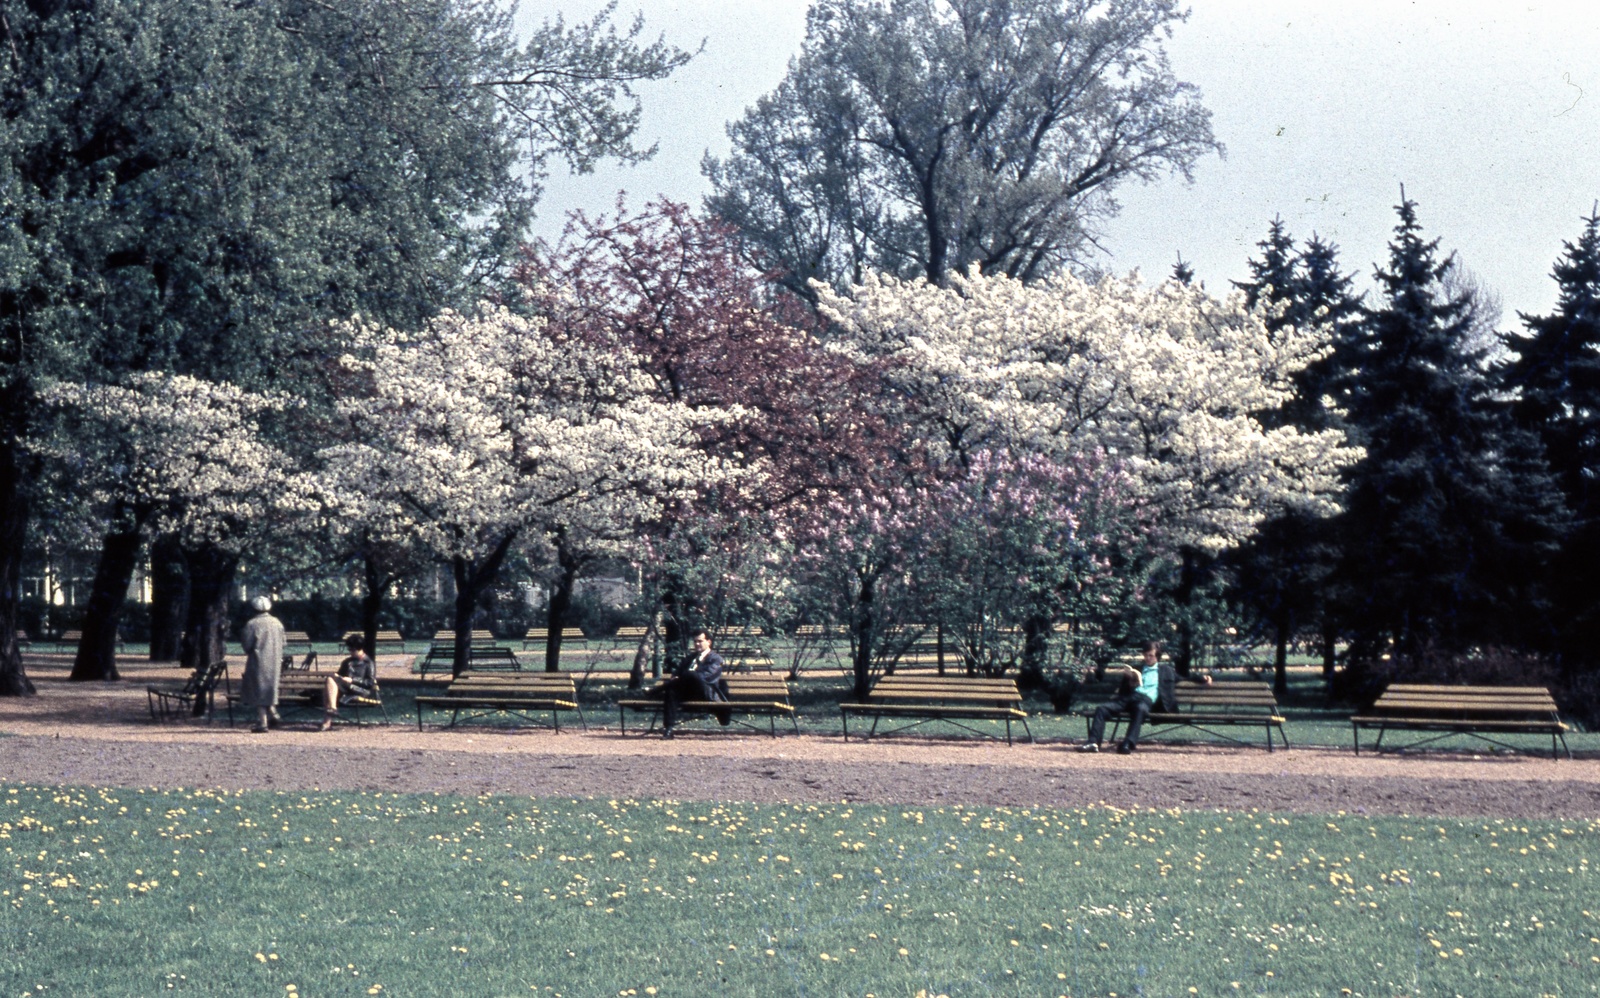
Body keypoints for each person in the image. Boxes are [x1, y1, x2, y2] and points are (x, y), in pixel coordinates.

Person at [1079, 640, 1212, 754]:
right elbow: (1123, 691)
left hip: (1145, 700)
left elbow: (1185, 677)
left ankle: (1128, 743)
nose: (1147, 658)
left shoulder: (1166, 671)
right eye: (1146, 655)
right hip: (1128, 698)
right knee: (1102, 709)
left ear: (1157, 657)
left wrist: (1203, 678)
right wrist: (1130, 683)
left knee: (1140, 710)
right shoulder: (1137, 668)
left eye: (1151, 656)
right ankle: (1093, 743)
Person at [661, 630, 728, 737]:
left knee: (690, 674)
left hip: (705, 694)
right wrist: (679, 677)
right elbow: (676, 674)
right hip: (687, 694)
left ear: (708, 642)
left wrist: (685, 676)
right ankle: (668, 729)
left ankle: (656, 690)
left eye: (700, 641)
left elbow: (706, 677)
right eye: (695, 641)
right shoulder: (689, 658)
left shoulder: (716, 659)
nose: (697, 644)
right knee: (671, 691)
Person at [238, 596, 286, 733]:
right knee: (270, 690)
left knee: (259, 691)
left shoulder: (252, 624)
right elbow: (284, 643)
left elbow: (247, 646)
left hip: (258, 660)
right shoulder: (277, 623)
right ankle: (274, 713)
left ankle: (263, 723)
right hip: (275, 661)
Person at [319, 634, 380, 732]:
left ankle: (328, 718)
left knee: (329, 684)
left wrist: (352, 680)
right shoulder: (347, 662)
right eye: (349, 649)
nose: (350, 652)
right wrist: (338, 676)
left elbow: (370, 682)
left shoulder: (368, 663)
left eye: (351, 650)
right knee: (330, 680)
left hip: (360, 690)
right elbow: (339, 676)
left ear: (358, 649)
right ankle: (332, 711)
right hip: (346, 688)